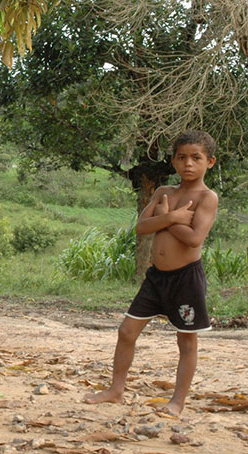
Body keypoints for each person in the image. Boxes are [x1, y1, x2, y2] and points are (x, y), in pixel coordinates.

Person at [84, 130, 219, 417]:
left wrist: (164, 220)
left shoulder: (207, 197)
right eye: (182, 157)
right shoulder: (163, 193)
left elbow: (194, 239)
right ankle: (116, 390)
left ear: (210, 162)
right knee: (126, 331)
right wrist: (171, 217)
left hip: (186, 279)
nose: (188, 164)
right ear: (173, 160)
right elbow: (141, 228)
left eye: (196, 158)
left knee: (186, 340)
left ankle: (177, 402)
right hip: (156, 277)